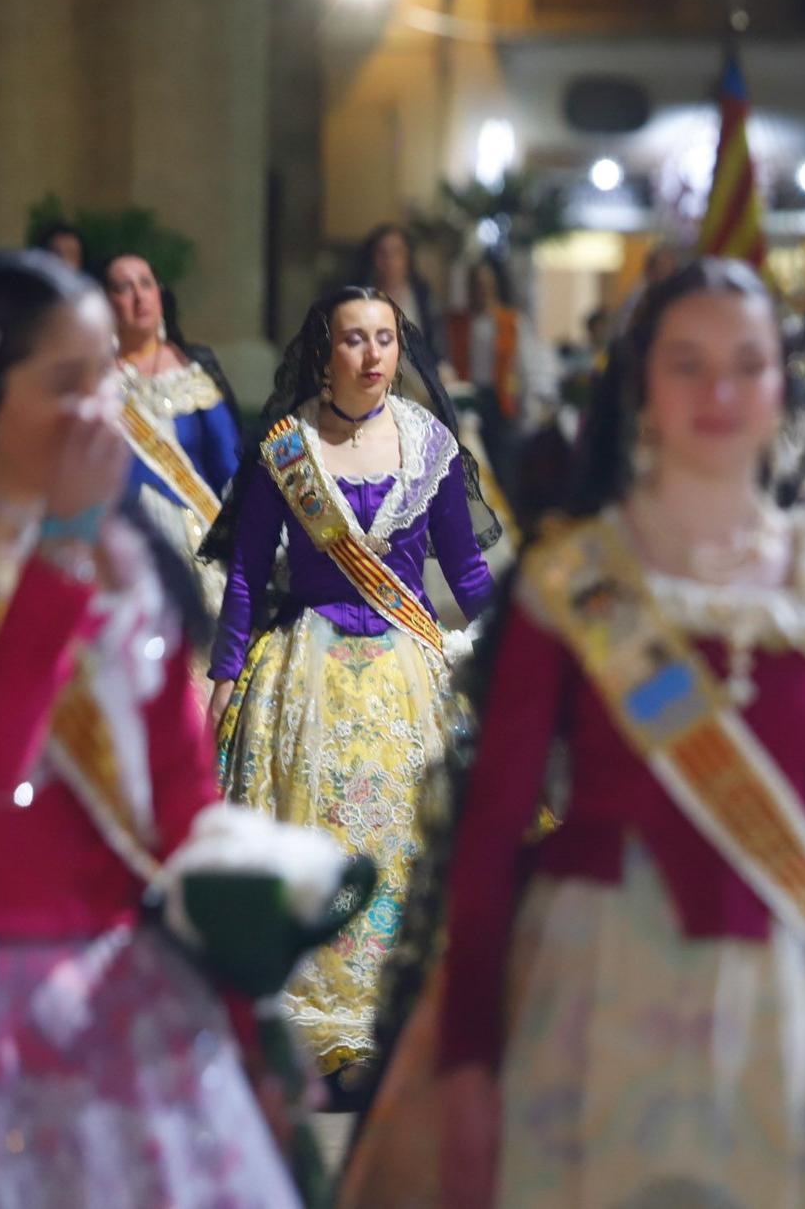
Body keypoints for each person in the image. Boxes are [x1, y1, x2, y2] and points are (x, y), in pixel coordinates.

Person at [346, 259, 805, 1207]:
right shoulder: (573, 584)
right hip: (598, 993)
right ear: (641, 389)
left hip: (787, 996)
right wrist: (466, 1057)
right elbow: (491, 837)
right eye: (687, 363)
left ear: (781, 387)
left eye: (745, 364)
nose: (718, 391)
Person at [0, 251, 297, 1206]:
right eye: (64, 384)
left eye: (104, 379)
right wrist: (62, 553)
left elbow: (184, 809)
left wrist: (252, 1022)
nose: (97, 411)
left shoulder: (129, 565)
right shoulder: (66, 561)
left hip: (127, 996)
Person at [203, 285, 498, 1096]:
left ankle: (399, 1014)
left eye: (386, 339)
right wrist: (227, 673)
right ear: (324, 350)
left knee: (406, 842)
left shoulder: (428, 444)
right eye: (354, 340)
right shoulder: (286, 448)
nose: (372, 356)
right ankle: (313, 1017)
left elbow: (466, 570)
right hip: (306, 672)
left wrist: (514, 650)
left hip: (407, 670)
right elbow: (245, 575)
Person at [100, 253, 241, 612]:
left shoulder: (192, 373)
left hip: (198, 544)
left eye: (146, 284)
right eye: (123, 287)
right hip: (124, 544)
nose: (139, 296)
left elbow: (229, 467)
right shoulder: (93, 382)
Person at [442, 255, 560, 486]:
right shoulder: (456, 323)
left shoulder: (512, 322)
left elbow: (525, 367)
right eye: (476, 285)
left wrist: (527, 408)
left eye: (486, 285)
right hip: (465, 402)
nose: (481, 291)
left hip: (501, 403)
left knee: (504, 470)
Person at [357, 224, 443, 361]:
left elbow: (435, 342)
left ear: (407, 258)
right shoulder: (360, 299)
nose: (389, 260)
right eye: (382, 253)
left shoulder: (421, 296)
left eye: (396, 252)